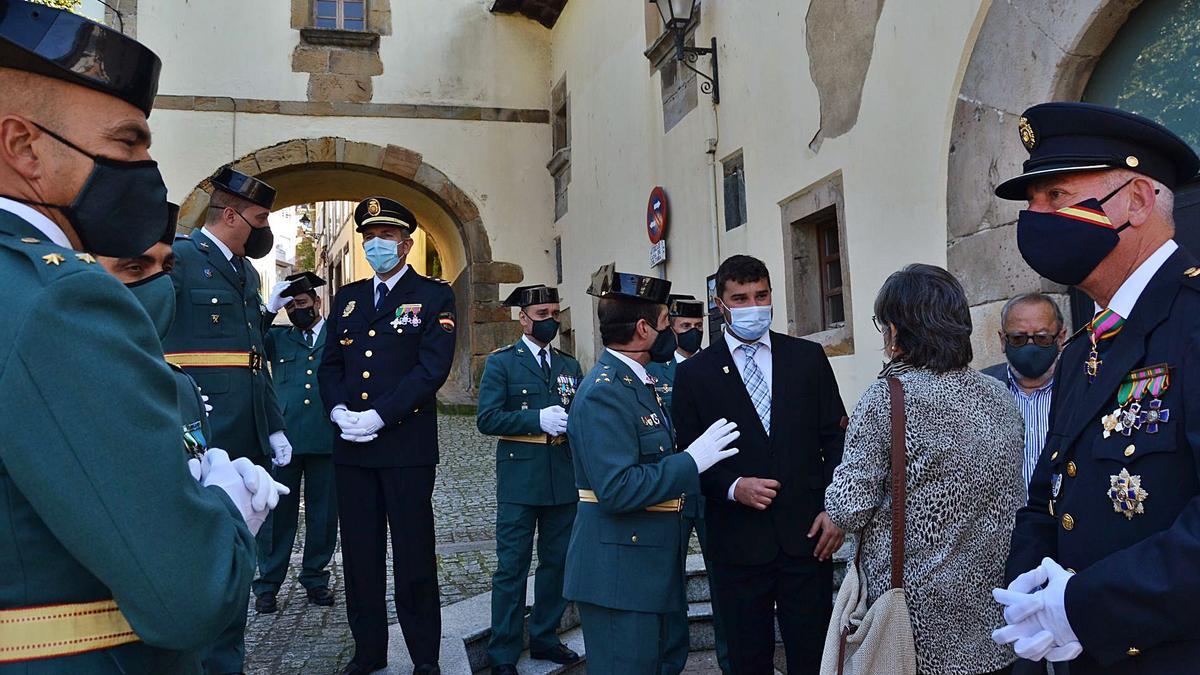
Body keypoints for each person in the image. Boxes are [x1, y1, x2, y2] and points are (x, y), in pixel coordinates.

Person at [0, 4, 283, 670]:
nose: (146, 170)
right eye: (128, 144)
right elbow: (191, 590)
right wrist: (224, 502)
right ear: (24, 148)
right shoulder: (59, 298)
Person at [993, 102, 1200, 674]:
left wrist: (1083, 607)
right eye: (1031, 203)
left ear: (1135, 201)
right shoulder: (1084, 345)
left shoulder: (1192, 322)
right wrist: (1029, 592)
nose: (1035, 217)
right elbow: (1048, 493)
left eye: (1055, 196)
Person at [826, 263, 1024, 675]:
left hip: (912, 628)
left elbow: (847, 508)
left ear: (897, 330)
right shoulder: (1000, 395)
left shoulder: (887, 398)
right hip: (992, 619)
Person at [671, 254, 846, 675]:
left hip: (808, 537)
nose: (753, 306)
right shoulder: (695, 375)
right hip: (737, 542)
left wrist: (835, 508)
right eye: (741, 298)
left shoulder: (807, 358)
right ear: (721, 304)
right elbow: (687, 458)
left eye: (761, 295)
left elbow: (836, 438)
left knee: (813, 656)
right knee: (748, 660)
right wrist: (733, 487)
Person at [563, 264, 741, 675]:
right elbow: (618, 489)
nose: (672, 334)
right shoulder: (604, 393)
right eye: (666, 324)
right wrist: (692, 461)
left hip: (644, 566)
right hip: (618, 575)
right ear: (643, 330)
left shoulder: (634, 382)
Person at [161, 165, 293, 674]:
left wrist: (274, 423)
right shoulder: (180, 259)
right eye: (260, 218)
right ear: (232, 214)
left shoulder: (245, 271)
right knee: (201, 561)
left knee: (239, 559)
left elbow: (253, 355)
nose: (265, 229)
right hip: (204, 434)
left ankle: (226, 664)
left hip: (249, 436)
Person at [318, 196, 456, 675]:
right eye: (370, 237)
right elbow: (330, 363)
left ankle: (424, 659)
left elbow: (431, 368)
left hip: (404, 448)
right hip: (351, 450)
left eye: (387, 236)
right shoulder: (349, 298)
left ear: (406, 242)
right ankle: (369, 650)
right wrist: (337, 409)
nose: (377, 244)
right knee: (359, 556)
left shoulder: (435, 296)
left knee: (414, 556)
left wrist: (379, 416)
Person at [477, 284, 583, 675]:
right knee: (512, 566)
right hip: (521, 480)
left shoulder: (569, 365)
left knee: (556, 562)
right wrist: (534, 419)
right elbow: (487, 419)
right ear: (523, 319)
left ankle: (545, 636)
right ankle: (502, 650)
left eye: (555, 314)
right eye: (542, 316)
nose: (550, 322)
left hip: (562, 477)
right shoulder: (502, 363)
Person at [649, 293, 731, 674]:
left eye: (698, 327)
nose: (693, 333)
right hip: (674, 488)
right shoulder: (656, 371)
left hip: (712, 486)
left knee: (725, 578)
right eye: (685, 327)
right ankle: (672, 660)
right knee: (669, 582)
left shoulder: (715, 366)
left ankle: (732, 659)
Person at [253, 271, 341, 614]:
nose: (296, 311)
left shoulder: (337, 336)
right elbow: (249, 338)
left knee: (323, 513)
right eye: (290, 306)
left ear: (317, 302)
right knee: (278, 515)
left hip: (327, 437)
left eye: (301, 303)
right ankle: (268, 584)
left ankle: (315, 578)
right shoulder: (280, 338)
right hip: (285, 438)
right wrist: (269, 310)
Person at [982, 293, 1067, 490]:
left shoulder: (1081, 387)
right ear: (1003, 340)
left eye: (1042, 338)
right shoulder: (979, 391)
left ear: (1060, 338)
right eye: (1018, 338)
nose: (1030, 346)